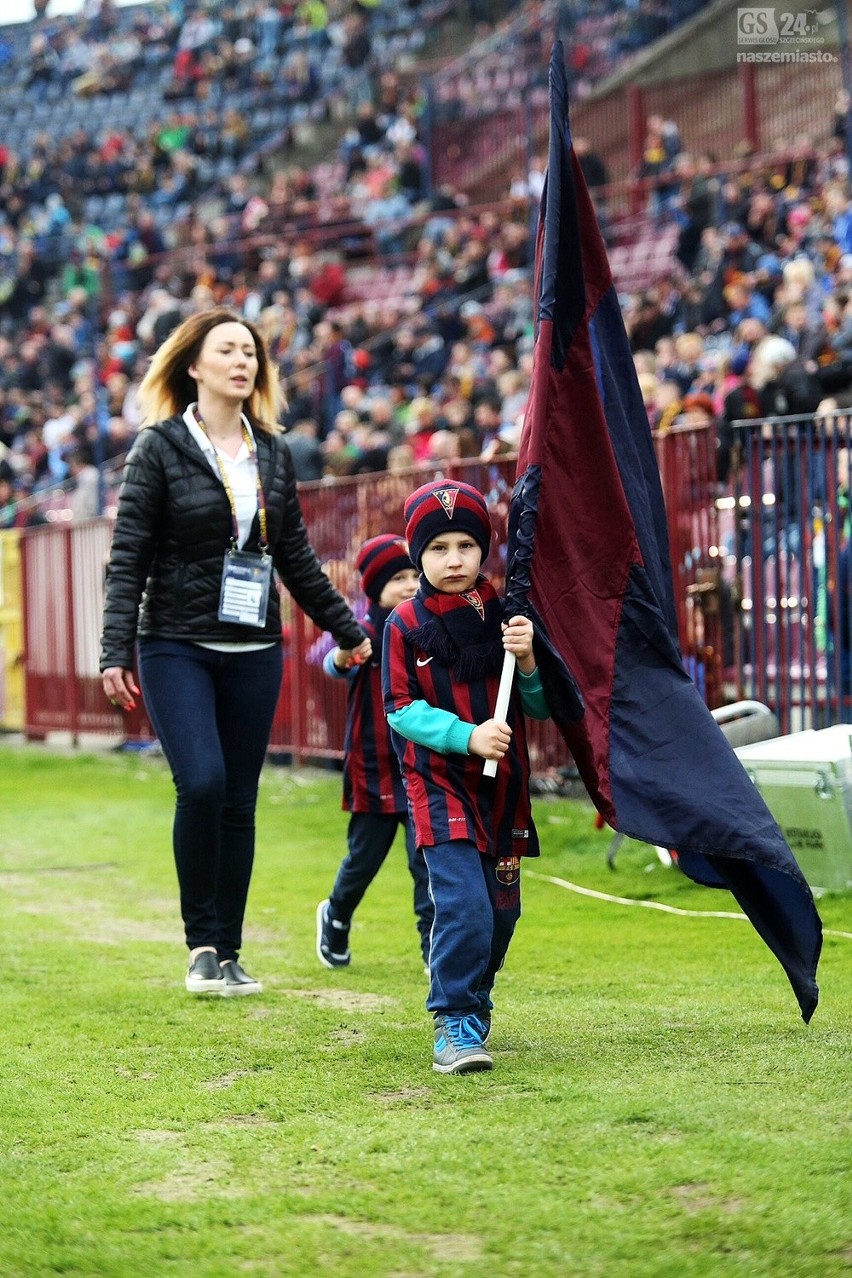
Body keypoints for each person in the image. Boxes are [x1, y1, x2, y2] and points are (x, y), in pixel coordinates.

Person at [100, 308, 370, 997]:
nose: (242, 362)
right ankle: (199, 947)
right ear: (194, 366)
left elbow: (297, 560)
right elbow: (128, 556)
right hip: (174, 644)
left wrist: (349, 630)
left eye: (250, 352)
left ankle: (230, 951)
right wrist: (113, 652)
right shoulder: (158, 447)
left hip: (254, 644)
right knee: (203, 783)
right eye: (227, 350)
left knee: (240, 802)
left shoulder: (273, 452)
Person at [382, 480, 550, 1075]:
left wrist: (528, 661)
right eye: (438, 548)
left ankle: (476, 998)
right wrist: (466, 735)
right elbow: (399, 708)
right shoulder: (403, 623)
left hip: (503, 789)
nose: (453, 560)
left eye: (465, 546)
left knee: (502, 913)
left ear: (484, 550)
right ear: (417, 555)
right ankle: (452, 1019)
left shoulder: (512, 615)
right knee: (465, 908)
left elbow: (538, 706)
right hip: (438, 785)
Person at [316, 534, 433, 971]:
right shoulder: (363, 633)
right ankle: (337, 914)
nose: (408, 585)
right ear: (374, 587)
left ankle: (432, 948)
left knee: (425, 861)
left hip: (420, 764)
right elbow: (332, 663)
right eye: (398, 578)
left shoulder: (425, 628)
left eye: (413, 576)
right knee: (364, 858)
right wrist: (346, 655)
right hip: (373, 766)